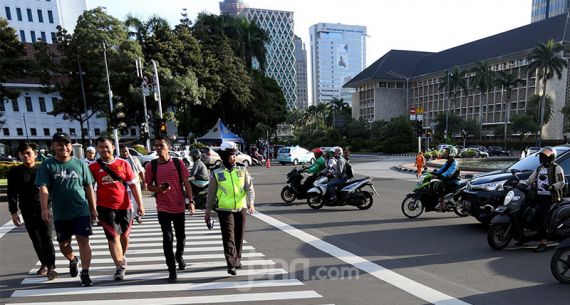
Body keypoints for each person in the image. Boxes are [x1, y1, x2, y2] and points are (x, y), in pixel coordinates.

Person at [35, 132, 97, 287]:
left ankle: (85, 273)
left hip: (81, 210)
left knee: (84, 241)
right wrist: (44, 209)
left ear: (71, 146)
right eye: (59, 144)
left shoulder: (80, 164)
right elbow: (43, 188)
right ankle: (72, 259)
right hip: (61, 212)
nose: (64, 147)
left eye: (67, 144)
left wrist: (93, 209)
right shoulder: (47, 165)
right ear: (53, 146)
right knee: (64, 245)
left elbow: (89, 187)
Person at [89, 137, 145, 280]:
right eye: (101, 147)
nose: (104, 150)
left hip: (125, 206)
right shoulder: (93, 167)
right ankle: (119, 267)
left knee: (124, 237)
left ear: (113, 147)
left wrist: (140, 205)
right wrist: (92, 208)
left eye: (107, 146)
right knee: (113, 237)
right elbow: (89, 188)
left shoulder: (123, 164)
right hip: (105, 208)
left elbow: (133, 185)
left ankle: (122, 256)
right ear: (97, 149)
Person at [145, 136, 195, 283]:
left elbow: (186, 184)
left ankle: (179, 255)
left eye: (161, 145)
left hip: (179, 206)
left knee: (181, 237)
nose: (158, 148)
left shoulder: (178, 163)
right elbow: (148, 186)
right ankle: (172, 270)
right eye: (156, 145)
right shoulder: (151, 166)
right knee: (167, 238)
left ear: (168, 147)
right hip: (163, 207)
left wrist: (190, 201)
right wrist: (159, 189)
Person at [8, 143, 57, 280]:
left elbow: (52, 188)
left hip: (46, 209)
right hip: (27, 210)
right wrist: (13, 212)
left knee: (46, 238)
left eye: (28, 153)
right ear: (19, 155)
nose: (25, 156)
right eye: (22, 153)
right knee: (36, 239)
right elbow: (11, 193)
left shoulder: (44, 169)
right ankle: (44, 263)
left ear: (35, 154)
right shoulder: (14, 172)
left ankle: (51, 266)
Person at [205, 141, 255, 276]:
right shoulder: (216, 172)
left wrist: (251, 202)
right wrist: (208, 211)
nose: (234, 158)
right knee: (228, 237)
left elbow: (249, 187)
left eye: (235, 155)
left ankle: (237, 259)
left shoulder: (242, 169)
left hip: (241, 207)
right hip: (224, 209)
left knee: (239, 235)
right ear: (224, 156)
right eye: (231, 155)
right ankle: (230, 263)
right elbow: (211, 193)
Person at [524, 146, 566, 252]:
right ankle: (526, 235)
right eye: (541, 156)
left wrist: (553, 187)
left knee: (541, 217)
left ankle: (543, 243)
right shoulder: (539, 168)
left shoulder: (556, 168)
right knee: (526, 210)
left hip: (550, 197)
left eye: (544, 156)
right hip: (538, 196)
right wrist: (520, 183)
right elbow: (530, 180)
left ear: (551, 157)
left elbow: (562, 182)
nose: (542, 158)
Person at [119, 145, 146, 224]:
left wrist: (144, 182)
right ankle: (131, 217)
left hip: (135, 184)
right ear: (120, 152)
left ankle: (138, 215)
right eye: (123, 151)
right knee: (128, 202)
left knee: (136, 201)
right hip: (123, 185)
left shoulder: (134, 159)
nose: (125, 153)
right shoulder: (118, 161)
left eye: (126, 151)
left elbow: (141, 171)